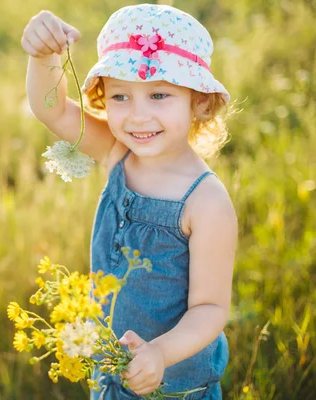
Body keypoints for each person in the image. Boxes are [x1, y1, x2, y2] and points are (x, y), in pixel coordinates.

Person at [22, 4, 237, 399]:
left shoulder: (206, 202)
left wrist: (159, 353)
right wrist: (43, 55)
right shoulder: (119, 152)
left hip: (177, 386)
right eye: (121, 96)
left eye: (159, 94)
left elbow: (210, 309)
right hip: (112, 373)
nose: (138, 116)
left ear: (199, 102)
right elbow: (50, 109)